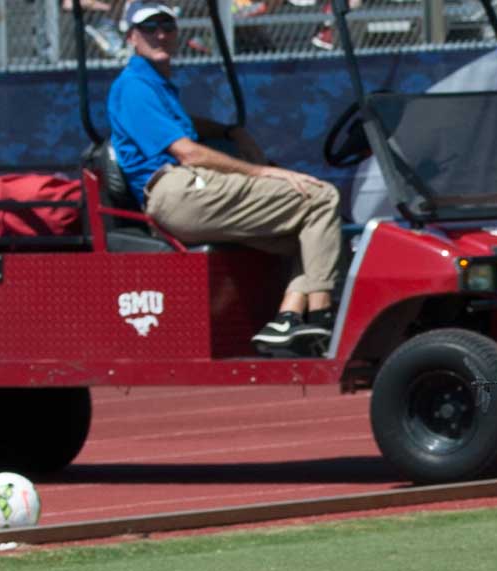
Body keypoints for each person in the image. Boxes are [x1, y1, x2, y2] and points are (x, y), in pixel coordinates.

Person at [106, 0, 343, 356]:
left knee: (310, 234)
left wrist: (231, 131)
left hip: (190, 189)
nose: (160, 34)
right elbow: (188, 151)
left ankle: (289, 319)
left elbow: (185, 125)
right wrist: (263, 171)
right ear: (131, 37)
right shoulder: (134, 85)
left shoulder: (155, 84)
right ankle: (323, 316)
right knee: (320, 196)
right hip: (176, 191)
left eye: (167, 26)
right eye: (149, 28)